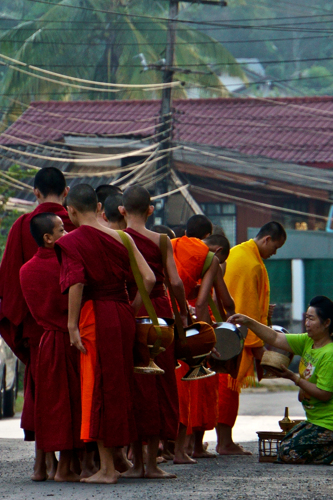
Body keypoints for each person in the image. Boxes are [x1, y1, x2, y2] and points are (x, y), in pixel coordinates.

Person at [60, 184, 156, 485]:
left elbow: (76, 283)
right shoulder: (122, 237)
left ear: (71, 211)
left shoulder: (73, 240)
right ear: (99, 206)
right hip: (121, 313)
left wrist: (72, 325)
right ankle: (112, 463)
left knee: (98, 388)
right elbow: (149, 278)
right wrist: (129, 307)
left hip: (95, 317)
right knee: (117, 387)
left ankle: (107, 469)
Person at [0, 167, 73, 478]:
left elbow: (8, 287)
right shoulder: (73, 224)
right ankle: (70, 462)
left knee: (40, 390)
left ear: (35, 192)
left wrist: (22, 326)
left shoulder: (22, 226)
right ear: (66, 192)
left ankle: (43, 461)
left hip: (34, 327)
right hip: (70, 325)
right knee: (68, 393)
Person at [228, 295, 333, 465]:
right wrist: (248, 321)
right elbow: (274, 338)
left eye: (312, 319)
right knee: (285, 445)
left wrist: (294, 377)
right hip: (317, 419)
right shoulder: (308, 341)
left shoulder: (331, 354)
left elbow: (324, 394)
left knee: (288, 453)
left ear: (326, 323)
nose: (307, 323)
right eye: (307, 318)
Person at [120, 185, 188, 480]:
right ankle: (152, 462)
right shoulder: (162, 240)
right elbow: (174, 281)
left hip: (129, 310)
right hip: (159, 313)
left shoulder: (116, 238)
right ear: (150, 210)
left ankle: (134, 464)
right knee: (159, 385)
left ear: (122, 211)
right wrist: (184, 311)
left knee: (134, 385)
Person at [19, 213, 81, 482]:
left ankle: (45, 465)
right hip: (68, 339)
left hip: (44, 342)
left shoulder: (25, 270)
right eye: (62, 229)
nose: (67, 234)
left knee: (48, 405)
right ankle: (66, 467)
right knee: (71, 402)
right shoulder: (65, 265)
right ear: (48, 238)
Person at [216, 221, 286, 456]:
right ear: (266, 239)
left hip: (221, 330)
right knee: (229, 388)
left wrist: (265, 311)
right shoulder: (252, 264)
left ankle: (221, 440)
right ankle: (224, 442)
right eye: (274, 248)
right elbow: (245, 309)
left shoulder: (238, 251)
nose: (273, 254)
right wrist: (258, 347)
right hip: (235, 336)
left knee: (223, 387)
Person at [170, 215, 224, 463]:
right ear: (207, 236)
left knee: (170, 384)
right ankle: (186, 448)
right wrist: (205, 335)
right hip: (188, 322)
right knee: (191, 385)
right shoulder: (209, 257)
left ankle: (170, 447)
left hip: (163, 316)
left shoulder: (171, 245)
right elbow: (202, 302)